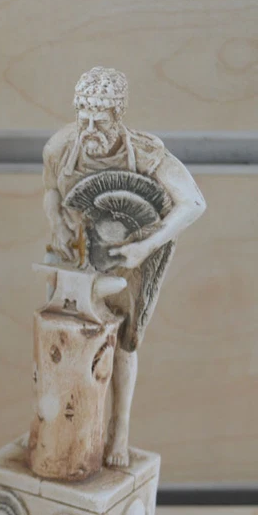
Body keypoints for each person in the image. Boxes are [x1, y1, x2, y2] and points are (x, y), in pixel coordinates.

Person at [42, 67, 206, 466]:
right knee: (64, 333)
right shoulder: (62, 146)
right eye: (83, 119)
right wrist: (57, 222)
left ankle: (120, 429)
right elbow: (51, 190)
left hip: (130, 253)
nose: (89, 129)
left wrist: (145, 247)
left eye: (99, 121)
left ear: (118, 116)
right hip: (78, 249)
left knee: (123, 345)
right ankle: (64, 427)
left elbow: (194, 203)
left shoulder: (146, 153)